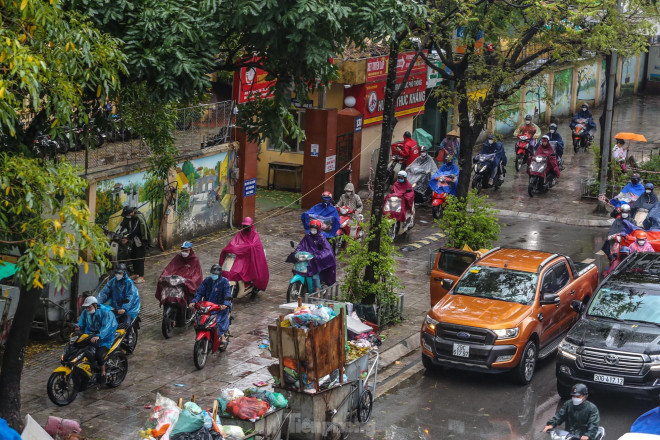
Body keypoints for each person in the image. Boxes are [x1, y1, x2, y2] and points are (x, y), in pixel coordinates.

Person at [218, 217, 269, 292]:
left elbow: (253, 246)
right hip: (241, 257)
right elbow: (233, 244)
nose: (245, 228)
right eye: (244, 226)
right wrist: (231, 249)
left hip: (250, 258)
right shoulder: (240, 234)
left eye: (247, 226)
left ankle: (252, 285)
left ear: (251, 226)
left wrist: (244, 248)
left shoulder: (255, 235)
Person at [75, 296, 118, 383]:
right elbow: (82, 323)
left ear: (95, 305)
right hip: (89, 338)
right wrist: (78, 327)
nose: (87, 309)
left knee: (99, 355)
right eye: (86, 307)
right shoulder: (85, 313)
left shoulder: (106, 313)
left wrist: (99, 336)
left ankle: (103, 373)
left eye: (89, 307)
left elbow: (108, 327)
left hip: (104, 340)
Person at [190, 264, 232, 350]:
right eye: (212, 273)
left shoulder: (224, 282)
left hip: (219, 308)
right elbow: (199, 292)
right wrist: (194, 301)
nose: (213, 275)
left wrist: (225, 304)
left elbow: (228, 294)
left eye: (215, 274)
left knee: (218, 322)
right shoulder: (207, 281)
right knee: (199, 321)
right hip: (206, 308)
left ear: (219, 274)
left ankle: (223, 338)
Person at [287, 219, 336, 291]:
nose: (313, 230)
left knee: (315, 276)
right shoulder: (307, 237)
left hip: (316, 260)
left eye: (314, 229)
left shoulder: (322, 238)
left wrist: (318, 255)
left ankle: (318, 293)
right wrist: (297, 252)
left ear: (318, 229)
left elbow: (327, 250)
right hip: (307, 258)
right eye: (311, 229)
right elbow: (301, 246)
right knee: (296, 268)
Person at [155, 241, 204, 305]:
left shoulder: (194, 260)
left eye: (186, 251)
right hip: (176, 282)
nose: (184, 252)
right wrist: (163, 277)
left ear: (190, 250)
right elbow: (169, 268)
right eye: (183, 251)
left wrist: (188, 282)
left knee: (189, 295)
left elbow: (197, 275)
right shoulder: (178, 257)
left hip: (186, 284)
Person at [119, 206, 150, 284]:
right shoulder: (130, 218)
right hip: (134, 241)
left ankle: (141, 277)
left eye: (127, 214)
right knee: (134, 256)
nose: (126, 216)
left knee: (140, 259)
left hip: (140, 241)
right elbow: (124, 226)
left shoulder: (137, 218)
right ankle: (136, 274)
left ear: (132, 212)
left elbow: (135, 230)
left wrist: (127, 238)